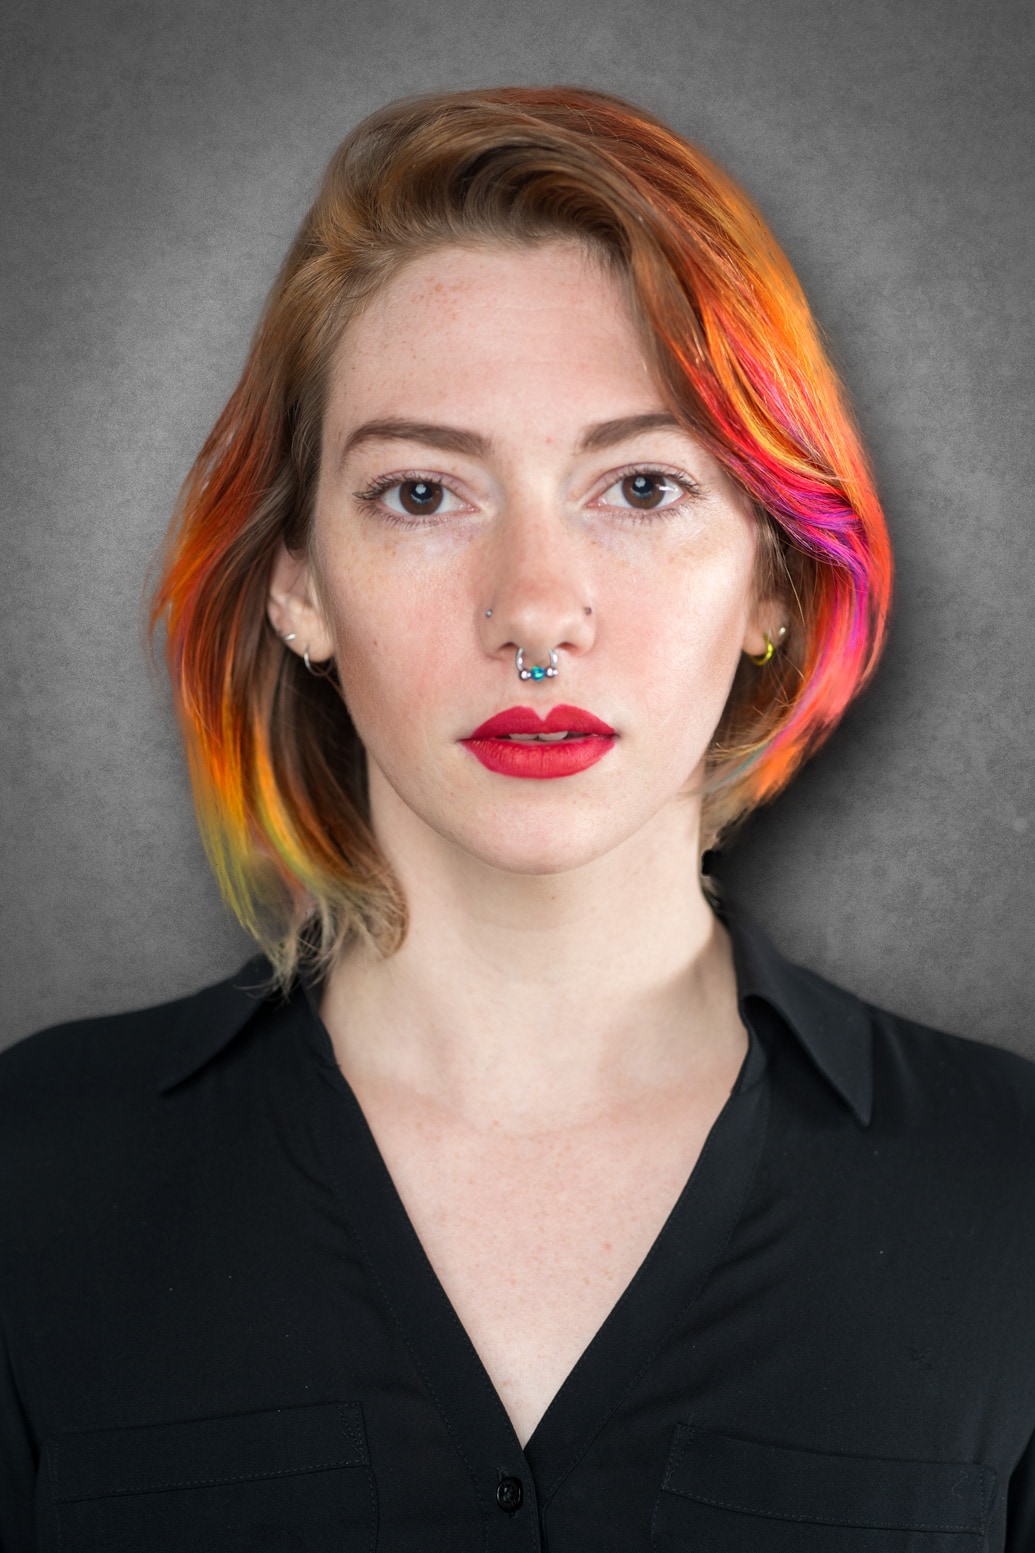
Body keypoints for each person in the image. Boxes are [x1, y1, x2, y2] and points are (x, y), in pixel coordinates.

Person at [1, 85, 1033, 1552]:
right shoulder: (35, 1180)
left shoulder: (1011, 1193)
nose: (535, 610)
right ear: (296, 578)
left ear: (774, 580)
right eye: (423, 492)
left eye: (642, 484)